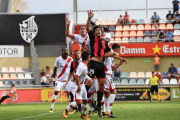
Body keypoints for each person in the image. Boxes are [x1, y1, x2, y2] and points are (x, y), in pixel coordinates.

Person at [86, 10, 127, 117]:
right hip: (93, 63)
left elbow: (111, 53)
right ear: (94, 32)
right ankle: (81, 100)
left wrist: (120, 57)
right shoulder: (92, 38)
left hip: (100, 65)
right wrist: (89, 18)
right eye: (97, 30)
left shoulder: (104, 42)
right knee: (89, 82)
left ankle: (99, 106)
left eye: (100, 30)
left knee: (101, 86)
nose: (99, 31)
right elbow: (87, 28)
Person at [63, 51, 91, 120]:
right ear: (88, 58)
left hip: (82, 85)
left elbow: (81, 75)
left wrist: (89, 79)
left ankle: (83, 115)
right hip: (76, 86)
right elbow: (76, 76)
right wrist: (78, 86)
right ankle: (65, 110)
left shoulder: (83, 65)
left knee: (85, 101)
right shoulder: (82, 66)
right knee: (79, 102)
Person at [103, 43, 125, 118]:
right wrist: (121, 58)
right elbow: (108, 55)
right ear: (117, 49)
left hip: (107, 75)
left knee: (107, 94)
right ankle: (108, 111)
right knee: (114, 92)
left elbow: (112, 68)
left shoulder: (111, 57)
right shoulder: (110, 53)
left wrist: (119, 64)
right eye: (119, 49)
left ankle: (106, 112)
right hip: (107, 75)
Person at [49, 47, 73, 113]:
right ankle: (51, 107)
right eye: (65, 50)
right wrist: (54, 79)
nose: (66, 51)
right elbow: (55, 69)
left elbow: (73, 68)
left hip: (67, 80)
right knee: (56, 91)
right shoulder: (58, 59)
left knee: (70, 93)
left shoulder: (70, 59)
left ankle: (70, 108)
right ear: (62, 52)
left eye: (67, 50)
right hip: (59, 80)